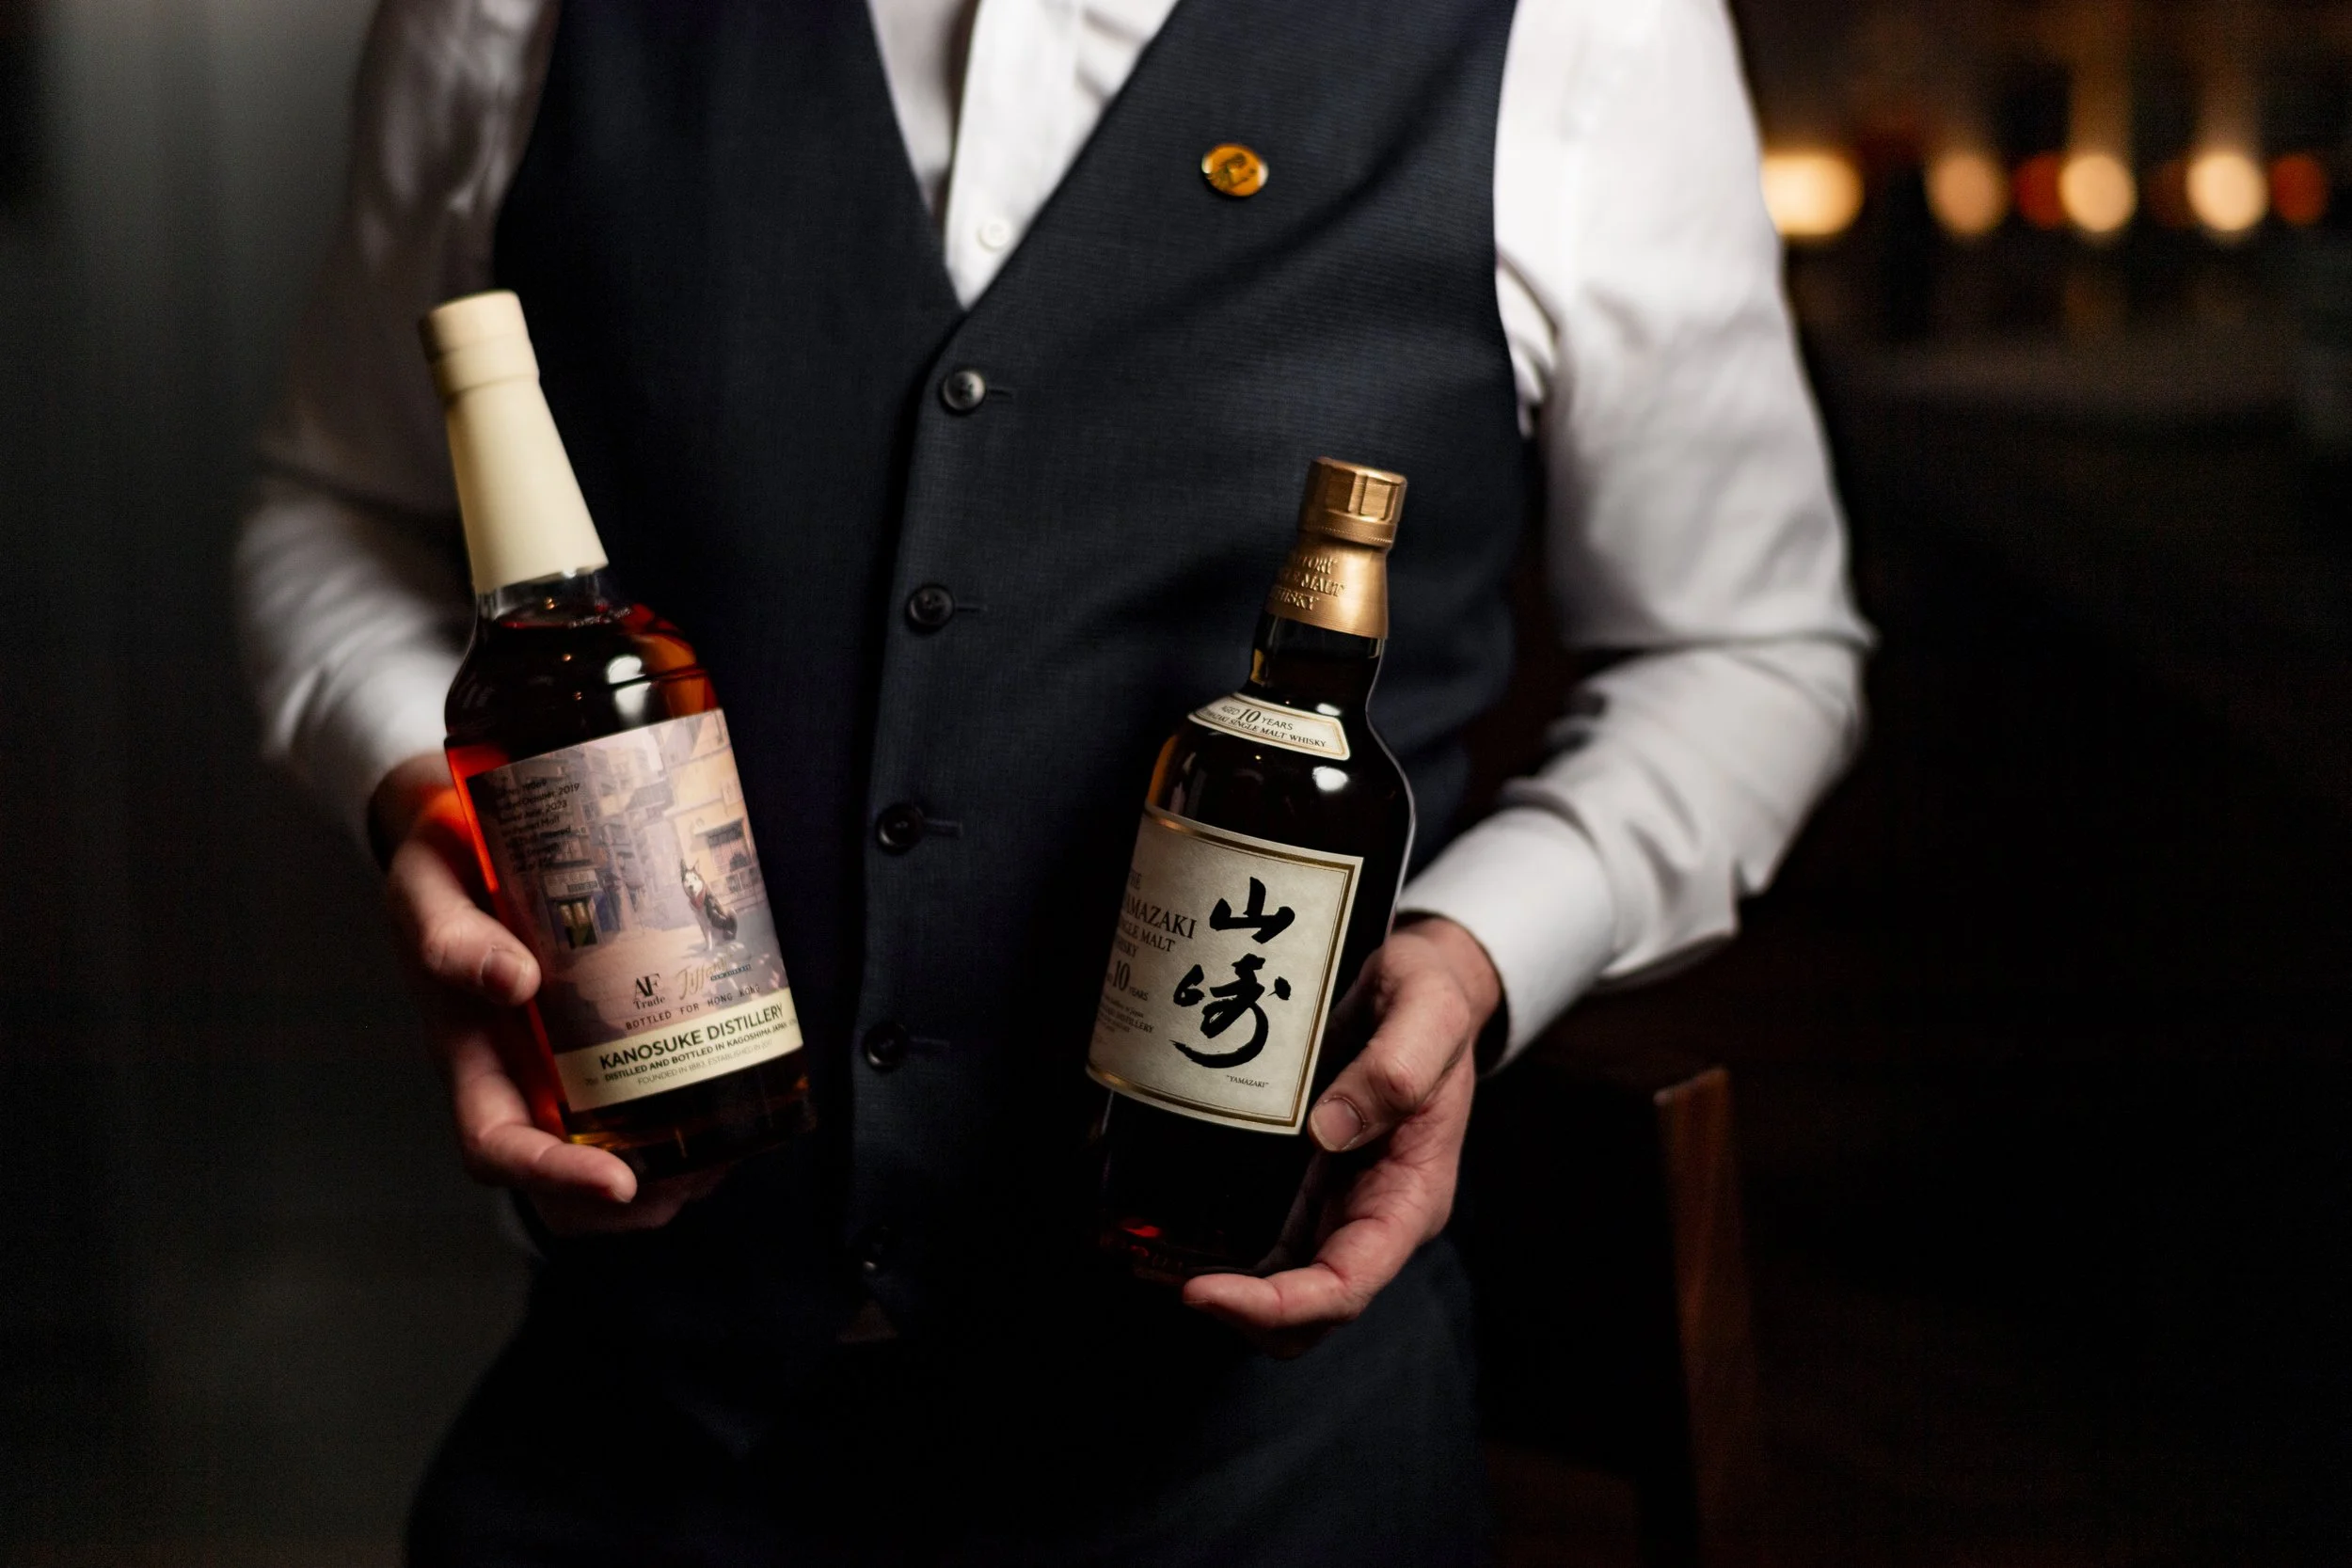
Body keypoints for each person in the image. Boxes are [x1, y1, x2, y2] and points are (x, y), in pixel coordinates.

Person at [235, 0, 1868, 1561]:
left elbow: (1746, 648)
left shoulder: (1589, 27)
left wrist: (1481, 953)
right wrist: (432, 816)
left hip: (1260, 1472)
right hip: (642, 1439)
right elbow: (337, 501)